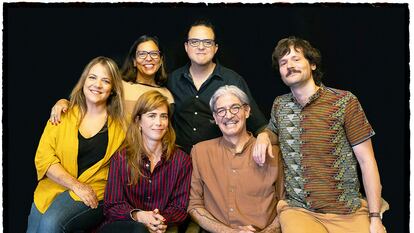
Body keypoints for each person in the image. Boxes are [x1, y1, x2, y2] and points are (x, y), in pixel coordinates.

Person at [253, 36, 387, 233]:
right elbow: (274, 131)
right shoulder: (279, 105)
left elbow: (367, 161)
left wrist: (375, 217)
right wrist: (263, 135)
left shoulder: (344, 101)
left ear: (313, 64)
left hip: (347, 212)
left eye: (296, 59)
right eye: (283, 62)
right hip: (300, 211)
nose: (289, 65)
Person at [26, 56, 126, 233]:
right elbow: (44, 158)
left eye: (105, 80)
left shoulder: (121, 128)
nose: (97, 85)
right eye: (92, 77)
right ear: (84, 81)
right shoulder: (62, 114)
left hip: (94, 192)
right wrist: (75, 185)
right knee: (34, 228)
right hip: (55, 187)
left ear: (112, 89)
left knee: (51, 223)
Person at [188, 85, 283, 233]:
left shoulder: (273, 153)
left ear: (247, 111)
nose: (228, 115)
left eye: (235, 108)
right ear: (215, 117)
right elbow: (194, 206)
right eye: (221, 111)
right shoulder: (200, 152)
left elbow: (287, 205)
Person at [167, 19, 267, 154]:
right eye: (194, 42)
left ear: (215, 48)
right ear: (186, 47)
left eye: (207, 42)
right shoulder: (172, 80)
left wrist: (264, 136)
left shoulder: (232, 80)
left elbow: (259, 124)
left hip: (220, 162)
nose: (201, 47)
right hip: (180, 163)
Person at [100, 90, 192, 233]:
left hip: (161, 227)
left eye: (163, 116)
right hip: (123, 226)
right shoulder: (121, 158)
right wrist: (140, 216)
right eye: (151, 116)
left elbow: (179, 208)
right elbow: (112, 205)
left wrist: (158, 220)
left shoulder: (181, 160)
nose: (159, 122)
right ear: (138, 121)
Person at [49, 35, 173, 123]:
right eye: (142, 54)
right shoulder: (118, 85)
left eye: (154, 54)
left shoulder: (168, 95)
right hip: (116, 155)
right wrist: (63, 102)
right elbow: (87, 101)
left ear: (161, 60)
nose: (148, 58)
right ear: (134, 61)